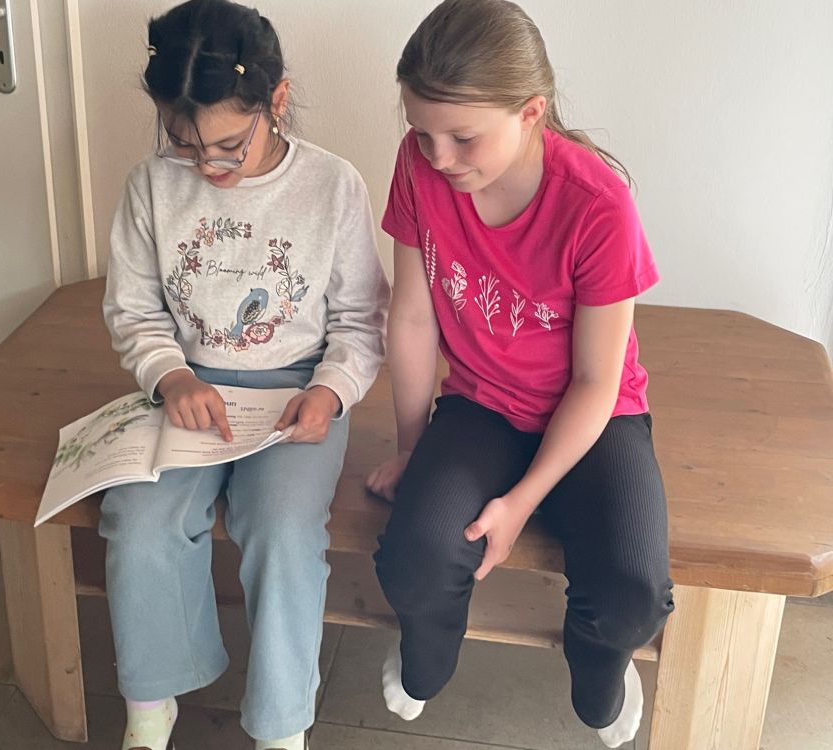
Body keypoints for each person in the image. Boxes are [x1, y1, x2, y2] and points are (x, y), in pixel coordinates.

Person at [365, 1, 673, 746]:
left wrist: (523, 500)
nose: (439, 157)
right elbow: (413, 318)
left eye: (463, 137)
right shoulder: (419, 166)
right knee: (414, 559)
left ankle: (600, 676)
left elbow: (597, 382)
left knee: (631, 595)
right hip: (481, 406)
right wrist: (411, 448)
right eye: (423, 133)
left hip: (594, 416)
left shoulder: (598, 204)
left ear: (530, 112)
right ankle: (426, 663)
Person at [101, 2, 389, 748]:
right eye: (184, 143)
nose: (209, 168)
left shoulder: (332, 186)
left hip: (297, 393)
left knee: (283, 529)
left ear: (277, 99)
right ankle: (150, 706)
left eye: (230, 145)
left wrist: (329, 392)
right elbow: (133, 310)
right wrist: (170, 377)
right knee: (139, 522)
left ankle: (281, 726)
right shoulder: (151, 185)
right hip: (187, 387)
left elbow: (361, 321)